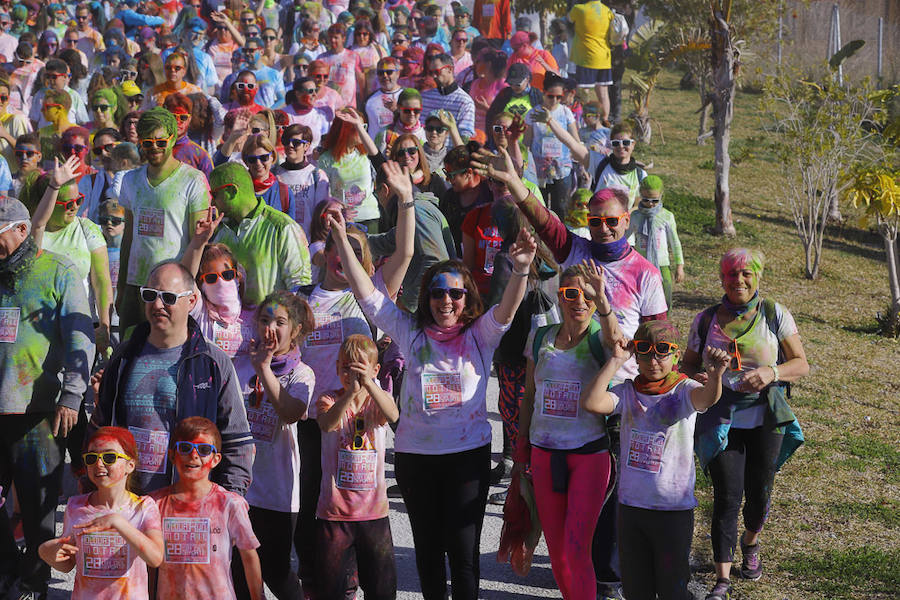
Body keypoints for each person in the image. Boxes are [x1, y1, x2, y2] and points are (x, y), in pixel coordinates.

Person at [328, 171, 538, 599]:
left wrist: (520, 269)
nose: (447, 301)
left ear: (467, 300)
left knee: (462, 555)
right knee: (427, 552)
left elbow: (508, 309)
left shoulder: (479, 336)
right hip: (417, 458)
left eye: (456, 295)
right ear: (427, 299)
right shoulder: (411, 333)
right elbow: (367, 294)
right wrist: (340, 244)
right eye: (438, 294)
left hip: (467, 459)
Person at [680, 249, 809, 600]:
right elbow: (685, 366)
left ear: (757, 277)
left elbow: (801, 364)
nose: (738, 280)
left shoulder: (774, 314)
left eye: (746, 274)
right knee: (726, 496)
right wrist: (705, 374)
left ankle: (750, 543)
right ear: (722, 278)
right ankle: (721, 580)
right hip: (720, 419)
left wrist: (772, 372)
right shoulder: (705, 320)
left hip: (766, 418)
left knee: (760, 490)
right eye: (731, 274)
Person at [582, 321, 731, 600]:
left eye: (662, 351)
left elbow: (706, 399)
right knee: (636, 589)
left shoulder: (684, 390)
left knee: (672, 589)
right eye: (644, 351)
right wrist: (616, 360)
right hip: (631, 509)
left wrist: (716, 376)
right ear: (634, 354)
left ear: (676, 356)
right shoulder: (627, 392)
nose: (653, 360)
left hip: (672, 511)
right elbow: (591, 402)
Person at [0, 196, 94, 600]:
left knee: (39, 510)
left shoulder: (59, 271)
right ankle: (7, 572)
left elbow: (79, 336)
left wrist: (72, 395)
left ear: (22, 231)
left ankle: (34, 583)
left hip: (37, 411)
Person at [512, 261, 620, 599]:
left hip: (589, 455)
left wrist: (603, 300)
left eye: (587, 296)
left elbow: (618, 342)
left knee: (577, 548)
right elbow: (529, 397)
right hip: (544, 454)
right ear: (559, 295)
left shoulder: (600, 339)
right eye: (571, 293)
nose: (580, 302)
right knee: (558, 551)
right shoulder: (541, 336)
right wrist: (521, 450)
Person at [231, 292, 315, 600]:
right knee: (239, 571)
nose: (270, 328)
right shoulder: (239, 365)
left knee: (276, 571)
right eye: (264, 320)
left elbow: (290, 413)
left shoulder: (302, 374)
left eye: (279, 322)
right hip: (239, 489)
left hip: (278, 494)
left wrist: (264, 369)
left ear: (294, 330)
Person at [315, 334, 399, 600]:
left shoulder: (378, 399)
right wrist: (350, 392)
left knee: (381, 589)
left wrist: (369, 384)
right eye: (345, 368)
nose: (350, 374)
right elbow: (328, 424)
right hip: (335, 513)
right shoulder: (328, 398)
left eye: (359, 368)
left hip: (373, 513)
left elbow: (393, 415)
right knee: (332, 589)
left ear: (375, 370)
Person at [38, 427, 164, 600]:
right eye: (91, 458)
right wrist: (46, 552)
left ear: (130, 465)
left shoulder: (143, 507)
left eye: (109, 457)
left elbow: (155, 558)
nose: (98, 464)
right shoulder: (76, 506)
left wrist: (117, 523)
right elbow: (67, 564)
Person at [116, 107, 209, 336]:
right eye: (147, 143)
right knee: (129, 351)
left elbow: (198, 242)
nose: (154, 148)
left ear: (173, 137)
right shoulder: (130, 180)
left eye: (160, 142)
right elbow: (128, 237)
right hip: (137, 284)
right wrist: (121, 287)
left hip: (172, 291)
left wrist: (187, 291)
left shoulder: (193, 180)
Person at [151, 417, 264, 600]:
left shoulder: (229, 504)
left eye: (204, 450)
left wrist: (258, 597)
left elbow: (249, 556)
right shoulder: (154, 504)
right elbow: (149, 563)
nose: (194, 455)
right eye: (185, 448)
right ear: (172, 455)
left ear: (216, 459)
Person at [28, 158, 112, 358]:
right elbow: (38, 224)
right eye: (67, 203)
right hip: (40, 330)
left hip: (81, 326)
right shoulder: (31, 232)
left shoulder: (87, 229)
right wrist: (54, 185)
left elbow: (101, 281)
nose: (74, 207)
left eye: (79, 200)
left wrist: (104, 326)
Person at [205, 162, 312, 306]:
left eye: (215, 194)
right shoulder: (220, 233)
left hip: (270, 325)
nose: (212, 201)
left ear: (232, 191)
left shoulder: (283, 227)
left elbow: (300, 288)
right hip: (230, 326)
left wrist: (273, 321)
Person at [525, 74, 579, 219]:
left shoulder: (566, 112)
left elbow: (576, 140)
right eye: (550, 96)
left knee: (561, 208)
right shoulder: (533, 114)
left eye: (559, 97)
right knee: (539, 208)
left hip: (562, 168)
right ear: (543, 93)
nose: (554, 100)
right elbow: (527, 143)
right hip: (539, 169)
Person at [318, 110, 381, 233]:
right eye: (356, 126)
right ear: (344, 130)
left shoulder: (366, 153)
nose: (361, 130)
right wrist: (338, 210)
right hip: (343, 219)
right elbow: (323, 195)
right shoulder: (326, 159)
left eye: (364, 126)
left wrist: (358, 125)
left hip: (370, 217)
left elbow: (377, 156)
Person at [626, 176, 685, 308]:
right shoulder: (635, 216)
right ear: (640, 195)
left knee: (666, 294)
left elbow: (675, 242)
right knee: (642, 295)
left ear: (661, 196)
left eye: (655, 200)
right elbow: (624, 238)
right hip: (641, 264)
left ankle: (665, 322)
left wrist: (679, 266)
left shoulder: (666, 216)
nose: (650, 204)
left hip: (662, 264)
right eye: (646, 199)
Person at [569, 0, 614, 123]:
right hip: (604, 57)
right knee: (604, 94)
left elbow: (568, 20)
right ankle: (605, 122)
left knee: (583, 93)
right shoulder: (607, 11)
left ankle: (583, 122)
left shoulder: (579, 9)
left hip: (586, 58)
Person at [421, 53, 475, 140]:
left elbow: (465, 136)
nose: (434, 76)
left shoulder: (465, 101)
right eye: (431, 72)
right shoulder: (424, 97)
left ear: (449, 69)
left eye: (437, 72)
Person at [241, 133, 296, 217]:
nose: (258, 163)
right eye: (252, 159)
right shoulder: (239, 190)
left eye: (264, 158)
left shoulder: (284, 192)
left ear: (273, 157)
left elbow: (289, 229)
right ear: (246, 161)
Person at [164, 92, 214, 178]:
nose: (177, 122)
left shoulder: (200, 155)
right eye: (173, 116)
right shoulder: (154, 148)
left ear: (189, 119)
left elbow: (210, 188)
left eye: (183, 117)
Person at [318, 23, 364, 110]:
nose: (332, 40)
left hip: (349, 106)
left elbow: (361, 80)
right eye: (330, 37)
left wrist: (362, 98)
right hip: (328, 106)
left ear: (343, 39)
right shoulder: (321, 58)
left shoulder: (353, 56)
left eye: (336, 37)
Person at [364, 57, 404, 142]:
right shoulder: (369, 100)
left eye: (389, 72)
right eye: (380, 73)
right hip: (375, 151)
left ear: (398, 73)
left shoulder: (406, 97)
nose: (385, 76)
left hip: (401, 149)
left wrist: (397, 111)